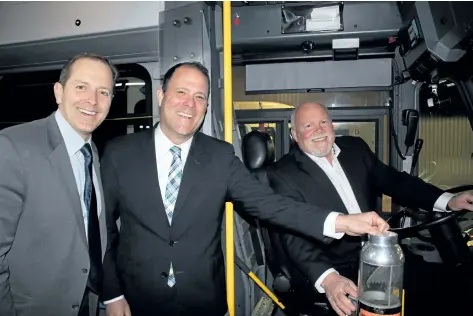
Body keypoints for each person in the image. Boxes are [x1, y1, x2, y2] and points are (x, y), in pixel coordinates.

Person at [99, 61, 389, 316]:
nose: (190, 104)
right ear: (162, 96)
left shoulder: (220, 156)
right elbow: (103, 229)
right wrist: (113, 294)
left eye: (200, 97)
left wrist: (343, 221)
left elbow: (270, 205)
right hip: (138, 297)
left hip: (203, 299)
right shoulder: (119, 153)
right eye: (181, 93)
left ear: (206, 106)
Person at [267, 101, 473, 316]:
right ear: (295, 135)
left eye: (323, 122)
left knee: (452, 288)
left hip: (384, 252)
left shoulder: (355, 149)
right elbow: (292, 236)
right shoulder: (283, 174)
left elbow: (396, 182)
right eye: (308, 126)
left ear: (332, 125)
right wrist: (328, 278)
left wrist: (448, 200)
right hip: (338, 266)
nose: (318, 130)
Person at [0, 53, 118, 316]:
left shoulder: (94, 154)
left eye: (104, 92)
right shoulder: (13, 146)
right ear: (58, 92)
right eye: (81, 87)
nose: (93, 100)